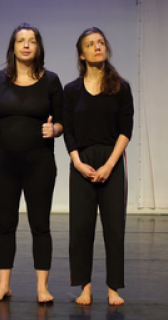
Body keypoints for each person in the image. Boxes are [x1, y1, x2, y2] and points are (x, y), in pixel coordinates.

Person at [0, 22, 64, 303]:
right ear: (13, 47)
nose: (26, 45)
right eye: (21, 40)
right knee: (5, 224)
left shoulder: (51, 80)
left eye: (31, 40)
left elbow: (63, 121)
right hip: (3, 163)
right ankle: (4, 285)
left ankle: (42, 287)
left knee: (40, 225)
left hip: (39, 163)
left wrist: (54, 130)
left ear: (38, 47)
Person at [63, 27, 134, 306]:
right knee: (81, 228)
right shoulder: (71, 91)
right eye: (90, 44)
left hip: (112, 161)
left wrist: (110, 164)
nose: (97, 47)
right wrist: (77, 162)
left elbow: (125, 130)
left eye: (101, 43)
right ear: (82, 54)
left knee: (114, 228)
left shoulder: (120, 87)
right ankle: (85, 286)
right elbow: (68, 131)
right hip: (81, 162)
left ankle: (114, 287)